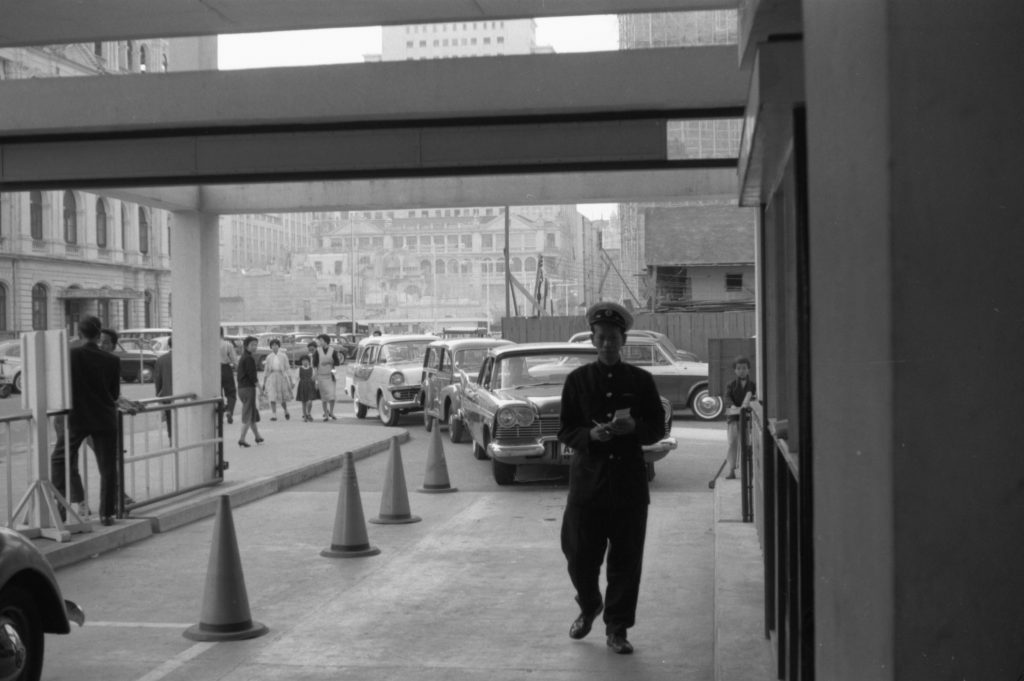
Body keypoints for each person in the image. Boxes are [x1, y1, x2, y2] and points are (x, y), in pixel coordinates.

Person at [557, 301, 666, 655]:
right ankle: (589, 604)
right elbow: (565, 430)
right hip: (588, 486)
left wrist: (634, 427)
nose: (607, 344)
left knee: (625, 561)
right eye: (601, 337)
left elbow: (656, 429)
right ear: (592, 339)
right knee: (578, 556)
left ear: (623, 340)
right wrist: (590, 436)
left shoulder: (641, 381)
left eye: (613, 338)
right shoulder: (577, 381)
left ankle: (617, 629)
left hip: (629, 487)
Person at [51, 316, 124, 526]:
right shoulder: (113, 360)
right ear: (99, 334)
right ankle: (107, 514)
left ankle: (60, 506)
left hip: (77, 418)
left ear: (79, 333)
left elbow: (62, 386)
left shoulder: (71, 355)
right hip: (105, 418)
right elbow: (114, 393)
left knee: (59, 458)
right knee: (108, 466)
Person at [724, 356, 756, 480]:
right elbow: (727, 398)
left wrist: (747, 405)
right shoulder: (731, 385)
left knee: (747, 444)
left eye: (744, 368)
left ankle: (748, 471)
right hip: (733, 418)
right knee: (732, 443)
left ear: (748, 370)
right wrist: (732, 406)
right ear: (735, 371)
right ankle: (731, 469)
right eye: (738, 368)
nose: (741, 370)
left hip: (747, 419)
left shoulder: (752, 385)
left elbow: (753, 398)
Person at [236, 335, 264, 447]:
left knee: (252, 414)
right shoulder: (249, 359)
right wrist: (260, 389)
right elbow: (253, 377)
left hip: (241, 388)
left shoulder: (243, 357)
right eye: (252, 345)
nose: (255, 347)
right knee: (248, 415)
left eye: (256, 344)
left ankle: (257, 436)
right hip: (248, 389)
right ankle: (242, 439)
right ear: (246, 346)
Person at [312, 333, 343, 421]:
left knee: (332, 396)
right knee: (324, 397)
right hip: (321, 376)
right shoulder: (317, 351)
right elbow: (314, 364)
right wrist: (315, 376)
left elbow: (337, 363)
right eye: (319, 340)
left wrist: (329, 362)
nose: (319, 342)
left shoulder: (333, 350)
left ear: (325, 341)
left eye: (321, 340)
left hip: (330, 376)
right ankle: (326, 414)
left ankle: (331, 412)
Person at [261, 338, 293, 421]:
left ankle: (286, 411)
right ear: (270, 347)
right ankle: (274, 415)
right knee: (272, 396)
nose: (274, 347)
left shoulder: (283, 355)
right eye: (273, 345)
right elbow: (266, 370)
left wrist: (291, 380)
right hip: (272, 377)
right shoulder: (269, 357)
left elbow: (287, 368)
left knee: (281, 397)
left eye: (276, 345)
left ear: (279, 346)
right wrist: (264, 382)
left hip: (281, 376)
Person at [153, 336, 173, 440]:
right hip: (184, 394)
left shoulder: (161, 360)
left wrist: (158, 394)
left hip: (167, 395)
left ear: (169, 345)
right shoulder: (184, 358)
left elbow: (158, 379)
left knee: (169, 417)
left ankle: (171, 437)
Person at [219, 327, 238, 424]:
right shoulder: (228, 344)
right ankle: (230, 410)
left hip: (213, 370)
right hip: (225, 368)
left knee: (217, 394)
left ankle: (219, 415)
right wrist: (236, 368)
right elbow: (234, 360)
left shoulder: (209, 345)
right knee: (231, 392)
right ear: (223, 333)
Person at [294, 355, 317, 422]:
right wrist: (295, 385)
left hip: (310, 386)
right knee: (304, 402)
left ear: (309, 361)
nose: (305, 362)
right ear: (301, 362)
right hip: (302, 386)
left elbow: (314, 378)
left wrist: (316, 384)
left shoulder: (311, 369)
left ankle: (308, 413)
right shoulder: (299, 369)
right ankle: (305, 416)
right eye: (303, 361)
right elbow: (296, 378)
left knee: (310, 401)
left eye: (306, 360)